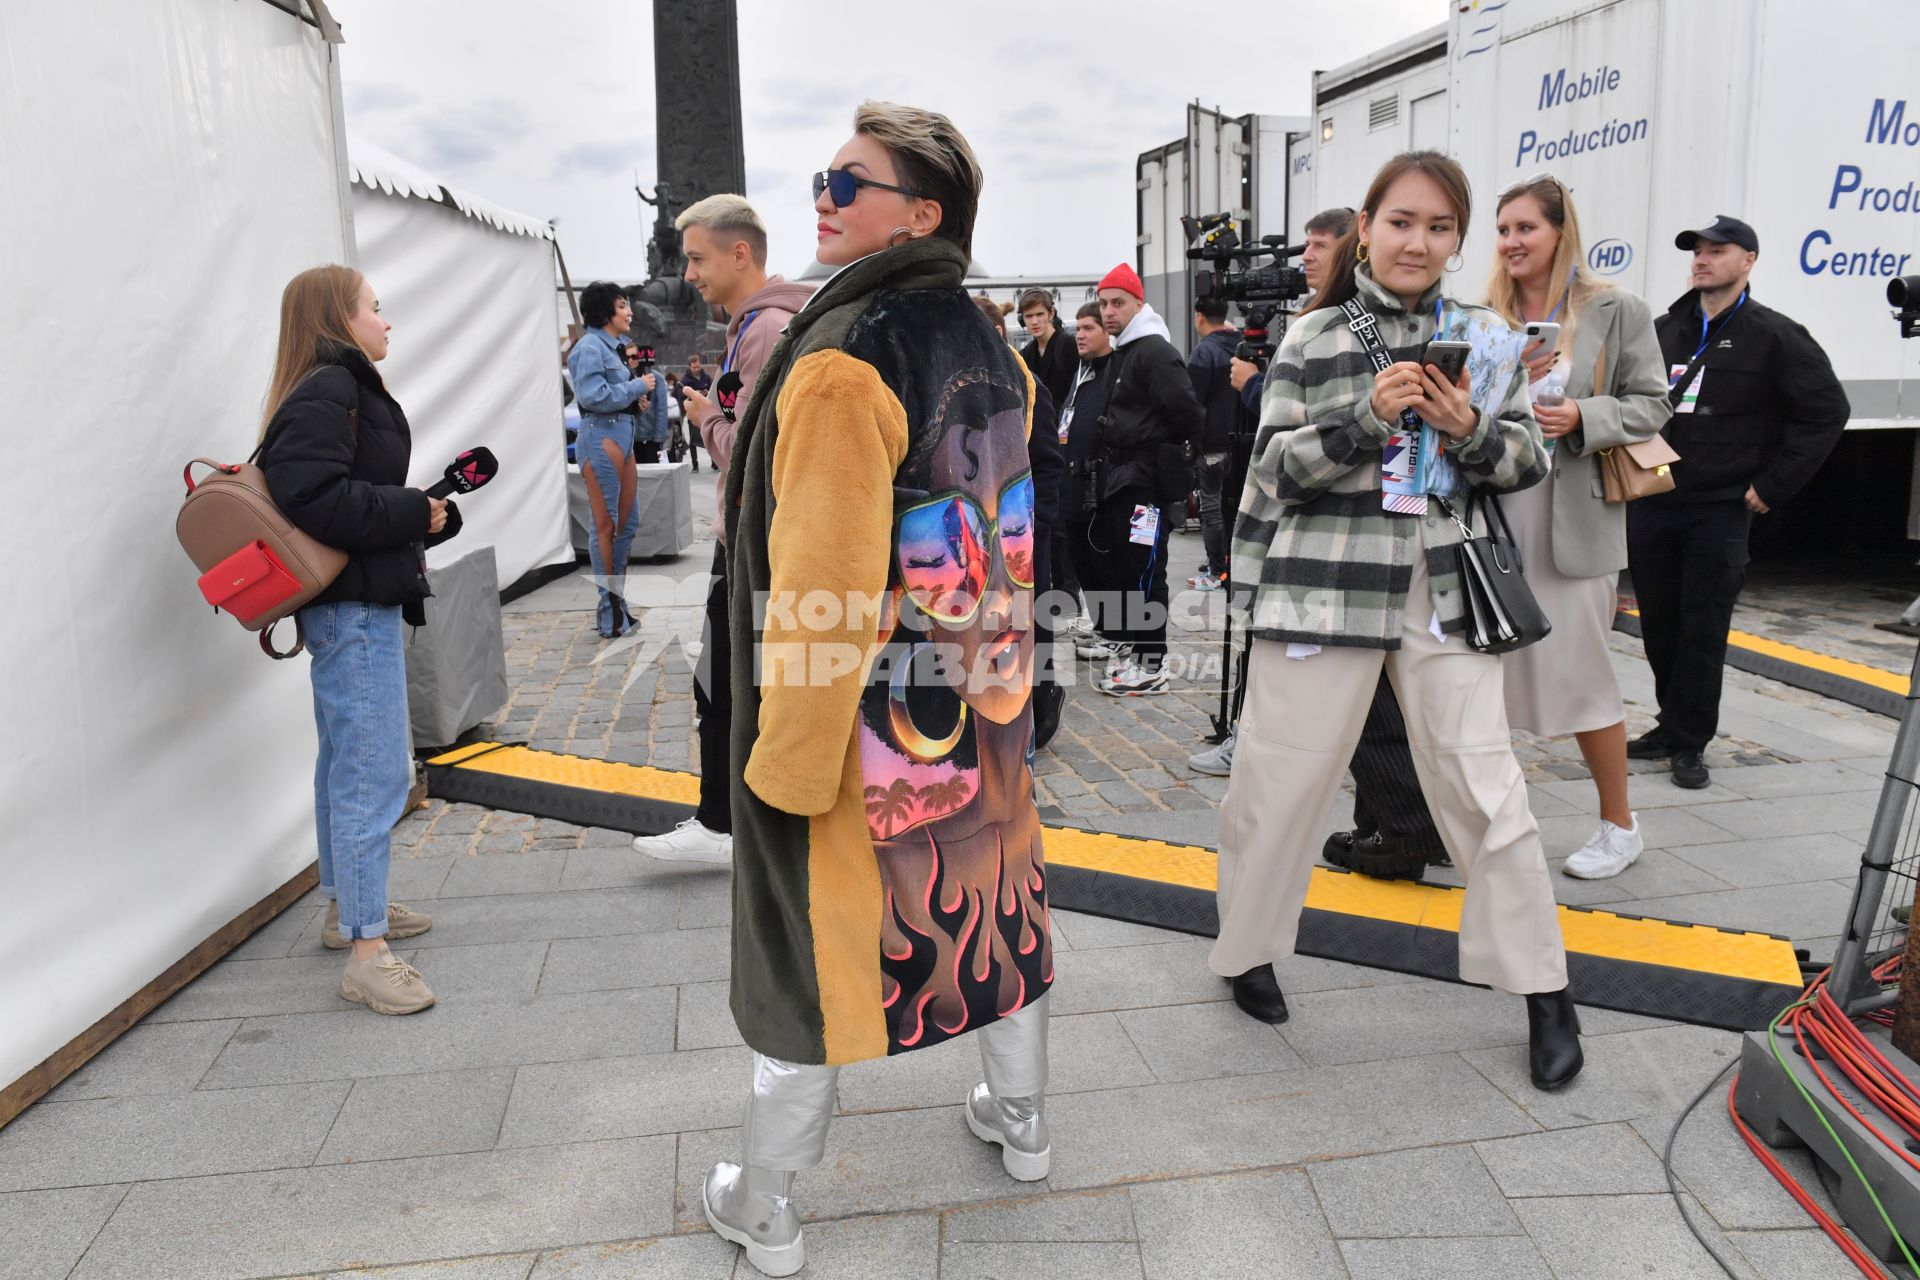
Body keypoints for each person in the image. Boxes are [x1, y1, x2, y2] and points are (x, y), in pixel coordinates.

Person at [704, 102, 1053, 1277]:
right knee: (996, 908)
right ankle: (1024, 1121)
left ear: (922, 212)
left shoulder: (847, 359)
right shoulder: (991, 344)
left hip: (869, 731)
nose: (822, 196)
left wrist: (787, 761)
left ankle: (766, 1201)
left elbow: (824, 584)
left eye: (848, 183)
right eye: (822, 177)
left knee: (813, 957)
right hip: (984, 699)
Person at [1211, 150, 1583, 1093]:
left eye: (1440, 227)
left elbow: (1528, 463)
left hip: (1443, 585)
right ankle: (1247, 950)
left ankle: (1544, 987)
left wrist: (1467, 429)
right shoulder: (1316, 336)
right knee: (1279, 780)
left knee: (1485, 787)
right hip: (1321, 584)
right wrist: (1366, 422)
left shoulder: (1486, 336)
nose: (1419, 241)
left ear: (1458, 241)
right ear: (1368, 226)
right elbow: (1274, 471)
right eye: (1402, 221)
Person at [258, 265, 462, 1016]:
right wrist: (410, 510)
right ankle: (368, 952)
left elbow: (339, 495)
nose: (386, 321)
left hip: (356, 602)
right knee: (371, 773)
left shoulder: (330, 389)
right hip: (353, 609)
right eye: (375, 309)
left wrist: (425, 515)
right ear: (339, 320)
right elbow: (311, 498)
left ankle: (349, 911)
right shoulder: (330, 391)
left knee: (347, 762)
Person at [1486, 174, 1675, 874]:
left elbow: (1652, 405)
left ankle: (1619, 826)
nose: (1510, 242)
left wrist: (1583, 419)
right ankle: (1492, 821)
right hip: (1495, 516)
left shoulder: (1615, 309)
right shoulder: (1486, 316)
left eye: (1525, 228)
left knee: (1583, 674)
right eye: (1503, 229)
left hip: (1574, 519)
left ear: (1560, 232)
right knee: (1483, 678)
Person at [1628, 215, 1849, 790]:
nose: (1702, 259)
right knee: (1659, 624)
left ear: (1747, 260)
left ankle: (1690, 742)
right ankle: (1669, 723)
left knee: (1702, 626)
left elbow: (1827, 411)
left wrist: (1773, 486)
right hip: (1654, 498)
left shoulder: (1775, 334)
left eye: (1717, 250)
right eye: (1697, 251)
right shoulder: (1663, 329)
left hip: (1720, 507)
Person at [636, 194, 813, 865]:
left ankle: (723, 825)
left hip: (751, 537)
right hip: (760, 534)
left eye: (698, 258)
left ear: (742, 253)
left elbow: (753, 450)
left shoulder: (765, 330)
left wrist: (708, 417)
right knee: (742, 681)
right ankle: (744, 820)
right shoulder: (770, 323)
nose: (691, 274)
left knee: (723, 681)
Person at [1194, 207, 1355, 778]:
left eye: (1319, 245)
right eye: (1305, 245)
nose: (1306, 256)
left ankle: (1264, 741)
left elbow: (1304, 424)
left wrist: (1254, 383)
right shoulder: (1314, 319)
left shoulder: (1338, 325)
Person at [1089, 262, 1205, 695]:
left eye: (1118, 303)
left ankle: (1151, 663)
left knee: (1145, 572)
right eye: (1104, 303)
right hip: (1124, 480)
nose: (1109, 312)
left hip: (1145, 485)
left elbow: (1188, 413)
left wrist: (1162, 457)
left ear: (1139, 303)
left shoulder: (1153, 350)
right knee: (1129, 569)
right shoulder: (1126, 351)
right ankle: (1138, 654)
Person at [567, 282, 656, 637]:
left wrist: (635, 402)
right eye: (623, 305)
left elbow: (608, 395)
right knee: (606, 526)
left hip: (621, 435)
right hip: (601, 437)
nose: (629, 311)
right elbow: (593, 395)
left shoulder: (614, 348)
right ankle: (610, 612)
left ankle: (617, 605)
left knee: (626, 524)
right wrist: (637, 387)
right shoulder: (589, 347)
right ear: (606, 311)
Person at [1061, 301, 1114, 648]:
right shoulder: (1083, 369)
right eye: (1077, 328)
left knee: (1103, 562)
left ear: (1107, 330)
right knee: (1081, 559)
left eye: (1088, 328)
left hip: (1100, 486)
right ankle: (1100, 625)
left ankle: (1114, 630)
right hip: (1072, 483)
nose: (1079, 335)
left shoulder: (1114, 371)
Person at [1186, 297, 1241, 591]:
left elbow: (1193, 403)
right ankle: (1232, 565)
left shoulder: (1203, 353)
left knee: (1211, 507)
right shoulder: (1243, 346)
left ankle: (1216, 571)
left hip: (1212, 444)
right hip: (1243, 442)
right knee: (1234, 506)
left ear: (1199, 317)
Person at [1018, 286, 1077, 410]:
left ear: (1051, 314)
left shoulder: (1069, 345)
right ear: (1022, 320)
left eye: (1039, 314)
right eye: (1028, 316)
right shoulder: (1026, 353)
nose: (1034, 321)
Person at [682, 351, 714, 469]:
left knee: (709, 436)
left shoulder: (706, 377)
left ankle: (714, 463)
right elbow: (682, 397)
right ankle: (695, 464)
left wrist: (706, 392)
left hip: (705, 410)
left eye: (698, 366)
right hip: (693, 411)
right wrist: (695, 394)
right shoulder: (685, 380)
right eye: (694, 367)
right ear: (690, 366)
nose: (696, 369)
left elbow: (712, 390)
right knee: (693, 438)